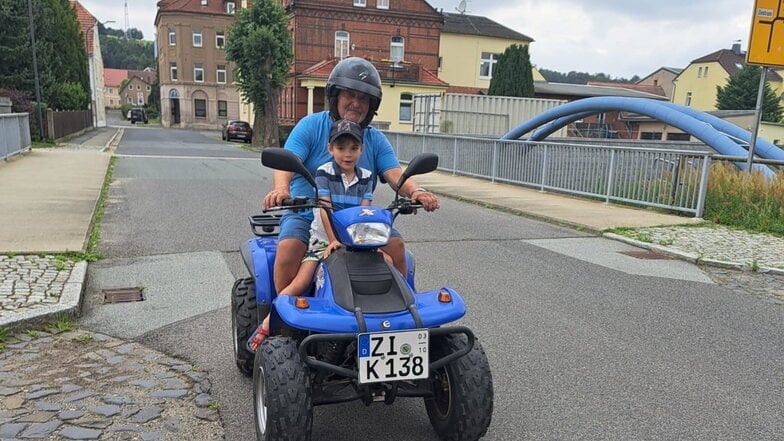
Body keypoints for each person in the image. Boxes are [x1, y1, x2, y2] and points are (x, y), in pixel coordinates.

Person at [263, 57, 439, 296]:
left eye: (364, 98)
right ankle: (284, 318)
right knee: (289, 248)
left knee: (396, 246)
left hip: (359, 221)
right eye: (350, 95)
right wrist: (281, 189)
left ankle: (404, 314)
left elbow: (396, 173)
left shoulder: (374, 139)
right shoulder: (311, 126)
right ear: (335, 97)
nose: (356, 103)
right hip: (308, 215)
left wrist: (417, 191)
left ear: (372, 105)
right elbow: (288, 162)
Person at [249, 119, 375, 351]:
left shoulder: (366, 177)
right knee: (303, 278)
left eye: (353, 148)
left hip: (357, 240)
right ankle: (269, 322)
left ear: (361, 149)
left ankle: (389, 325)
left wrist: (360, 241)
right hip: (324, 239)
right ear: (330, 149)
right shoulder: (323, 173)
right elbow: (324, 209)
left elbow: (363, 212)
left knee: (386, 265)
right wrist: (334, 240)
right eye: (341, 148)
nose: (347, 154)